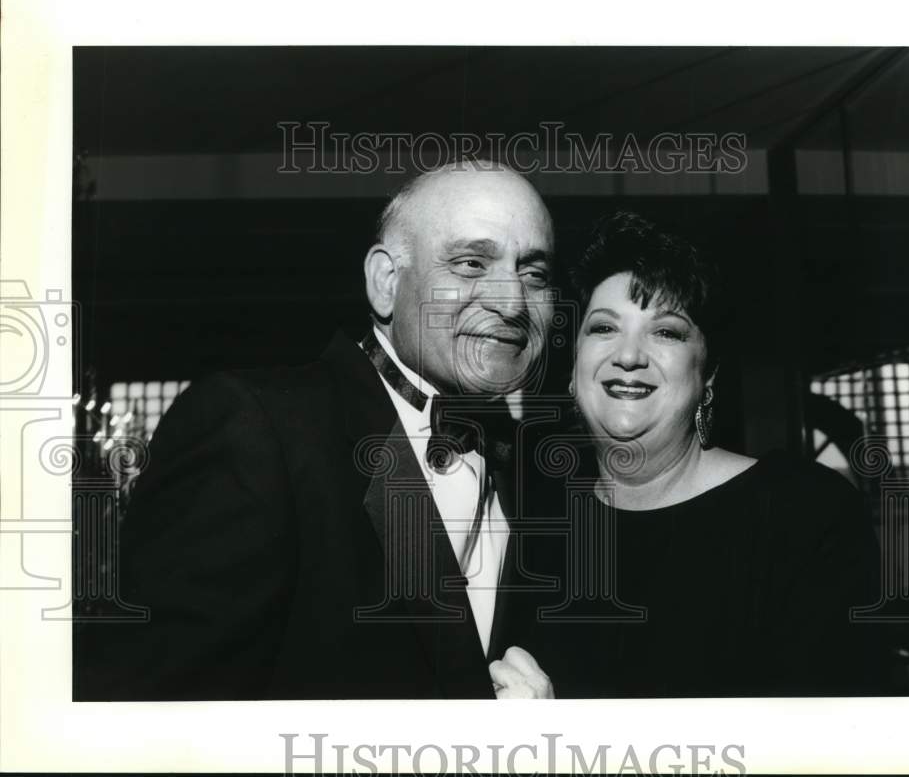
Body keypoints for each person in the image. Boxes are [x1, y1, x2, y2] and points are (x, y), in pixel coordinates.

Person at [75, 161, 555, 700]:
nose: (513, 302)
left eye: (534, 273)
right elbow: (155, 713)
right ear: (386, 282)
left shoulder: (536, 468)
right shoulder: (253, 426)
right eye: (471, 264)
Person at [513, 211, 884, 698]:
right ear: (573, 367)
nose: (628, 355)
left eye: (666, 332)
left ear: (706, 376)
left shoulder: (805, 514)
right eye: (603, 328)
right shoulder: (533, 517)